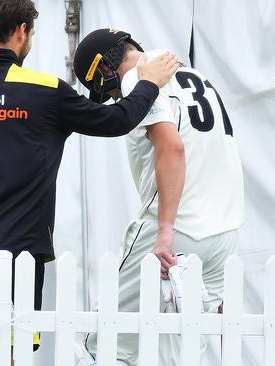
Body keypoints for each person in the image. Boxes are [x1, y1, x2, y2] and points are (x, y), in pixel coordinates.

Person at [0, 1, 178, 364]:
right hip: (19, 255)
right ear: (22, 30)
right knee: (12, 354)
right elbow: (116, 120)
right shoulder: (46, 90)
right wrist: (148, 83)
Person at [73, 28, 244, 365]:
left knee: (103, 344)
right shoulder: (194, 74)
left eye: (104, 89)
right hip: (223, 232)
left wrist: (166, 229)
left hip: (174, 229)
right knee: (177, 353)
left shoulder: (138, 77)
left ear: (105, 69)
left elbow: (171, 147)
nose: (111, 98)